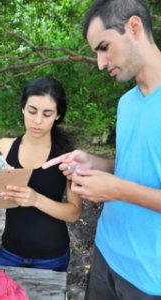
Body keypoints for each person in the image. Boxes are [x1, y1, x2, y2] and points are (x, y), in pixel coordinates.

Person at [42, 0, 161, 299]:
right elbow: (135, 167)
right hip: (107, 252)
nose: (100, 63)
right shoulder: (127, 103)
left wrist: (118, 190)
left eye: (104, 47)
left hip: (149, 278)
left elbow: (124, 186)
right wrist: (94, 163)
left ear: (134, 27)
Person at [0, 77, 81, 272]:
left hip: (52, 256)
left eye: (47, 113)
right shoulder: (2, 149)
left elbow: (74, 212)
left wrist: (36, 199)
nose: (37, 121)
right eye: (32, 111)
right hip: (9, 251)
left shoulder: (67, 156)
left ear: (57, 115)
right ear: (23, 108)